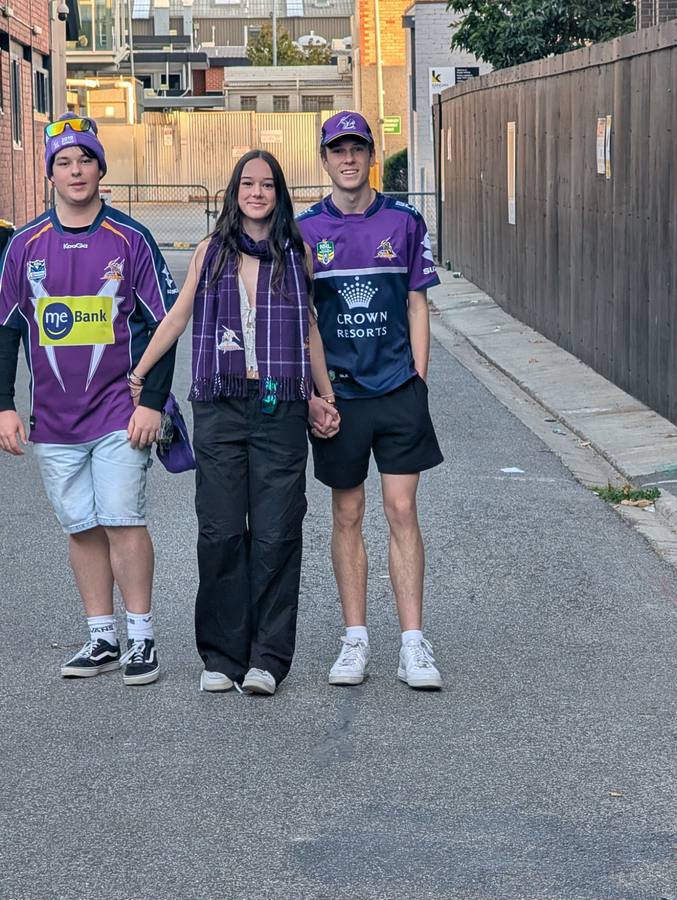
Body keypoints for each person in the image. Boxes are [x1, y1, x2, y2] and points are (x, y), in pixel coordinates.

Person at [129, 150, 336, 696]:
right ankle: (222, 656)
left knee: (276, 532)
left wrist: (325, 396)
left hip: (280, 405)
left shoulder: (298, 253)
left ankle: (268, 658)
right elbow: (177, 316)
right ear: (234, 191)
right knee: (220, 532)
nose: (258, 192)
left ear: (279, 193)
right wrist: (141, 370)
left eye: (268, 184)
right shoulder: (210, 252)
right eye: (248, 183)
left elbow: (308, 328)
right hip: (221, 405)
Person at [0, 113, 178, 685]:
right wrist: (4, 404)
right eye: (64, 162)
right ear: (50, 173)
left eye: (85, 160)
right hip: (52, 421)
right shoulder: (23, 246)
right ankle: (101, 636)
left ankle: (142, 637)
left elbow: (162, 324)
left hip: (118, 414)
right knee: (81, 525)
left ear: (101, 167)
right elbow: (6, 330)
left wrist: (152, 401)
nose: (76, 171)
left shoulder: (131, 240)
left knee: (123, 519)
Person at [298, 111, 444, 690]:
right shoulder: (306, 229)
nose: (349, 159)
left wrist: (420, 383)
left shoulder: (404, 220)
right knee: (348, 513)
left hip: (397, 390)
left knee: (403, 510)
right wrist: (317, 393)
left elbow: (417, 305)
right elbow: (303, 317)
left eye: (358, 148)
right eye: (338, 150)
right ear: (325, 158)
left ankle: (413, 643)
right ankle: (354, 639)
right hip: (340, 396)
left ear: (371, 155)